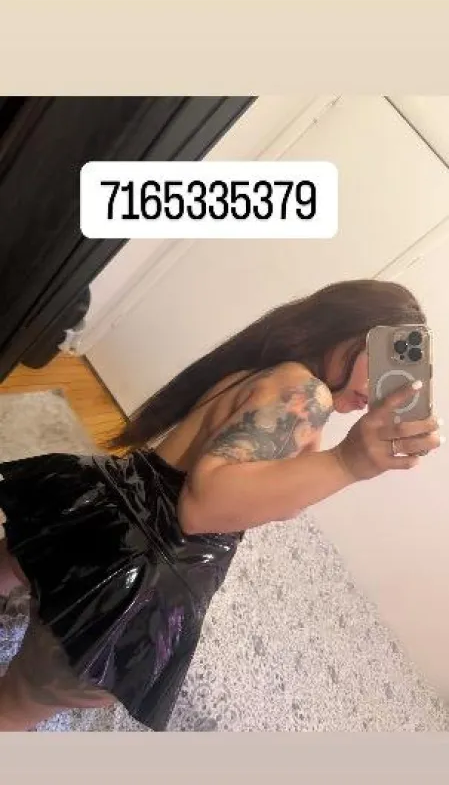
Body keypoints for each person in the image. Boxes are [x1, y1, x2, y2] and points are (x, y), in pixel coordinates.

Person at [0, 279, 442, 732]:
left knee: (17, 560)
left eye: (399, 367)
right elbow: (203, 508)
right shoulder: (308, 395)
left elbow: (260, 487)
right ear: (344, 327)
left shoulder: (269, 370)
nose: (378, 388)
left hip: (99, 508)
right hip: (134, 574)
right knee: (16, 706)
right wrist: (348, 463)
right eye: (383, 356)